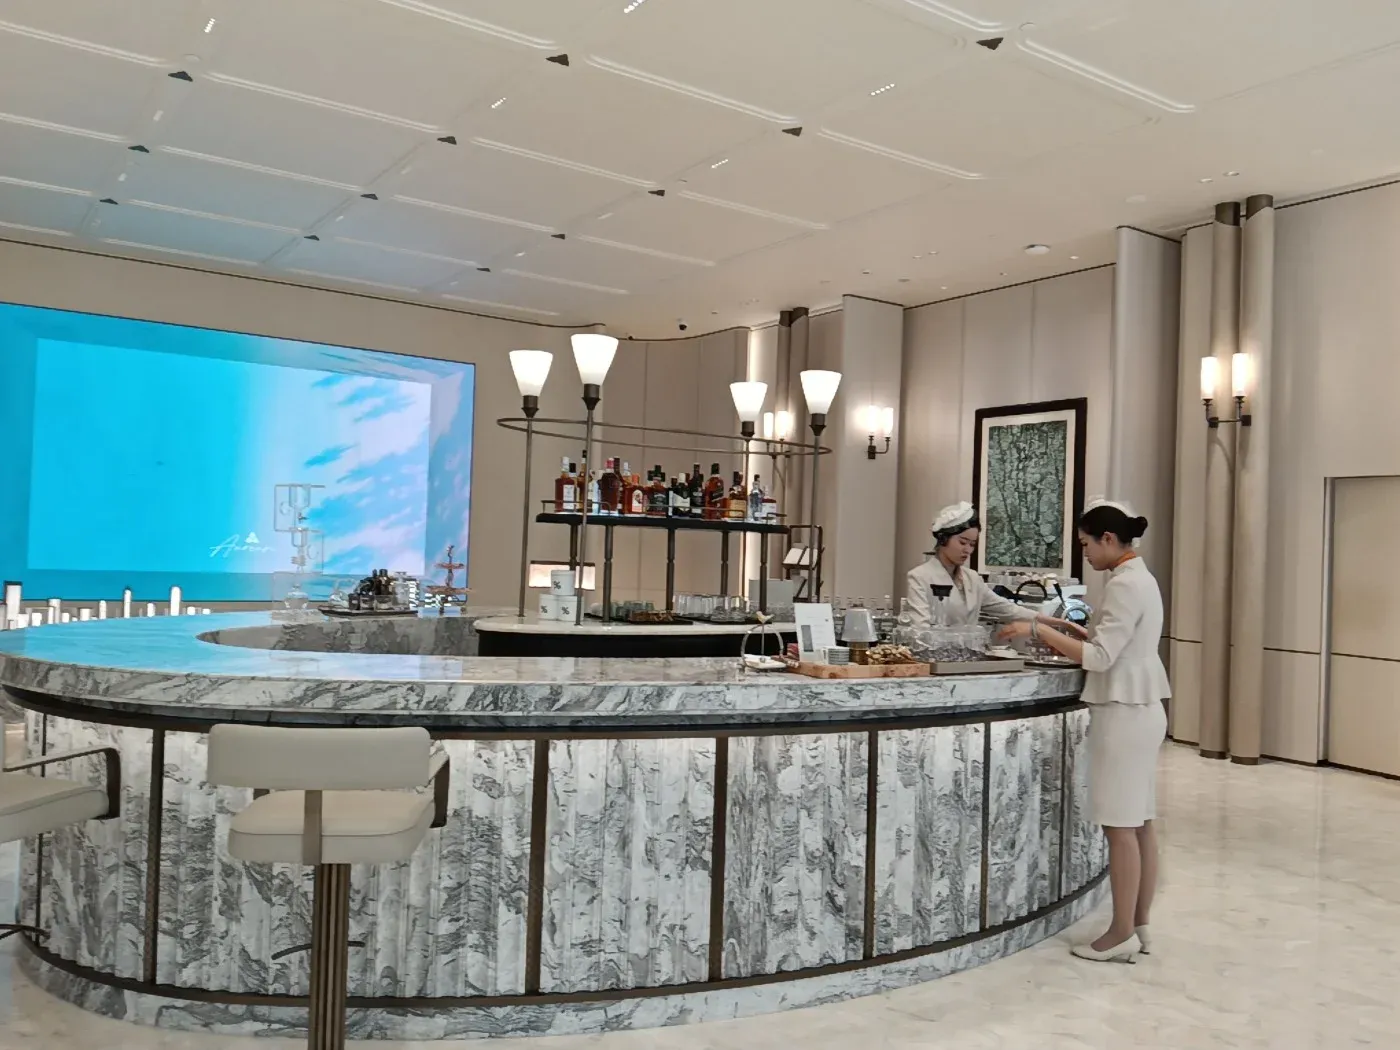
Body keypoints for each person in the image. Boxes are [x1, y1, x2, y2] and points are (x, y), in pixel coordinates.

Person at [995, 498, 1171, 964]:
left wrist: (1035, 630)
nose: (1085, 554)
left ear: (1108, 539)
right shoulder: (1140, 578)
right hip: (1143, 709)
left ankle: (1120, 932)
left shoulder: (1124, 585)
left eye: (1086, 544)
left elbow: (1100, 658)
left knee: (1120, 828)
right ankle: (1140, 923)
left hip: (1123, 713)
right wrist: (1061, 627)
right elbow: (1110, 641)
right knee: (1140, 823)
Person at [905, 501, 1086, 636]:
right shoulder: (920, 577)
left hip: (968, 657)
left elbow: (1009, 610)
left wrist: (1062, 623)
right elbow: (919, 630)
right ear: (943, 539)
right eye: (962, 542)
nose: (968, 550)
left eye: (972, 544)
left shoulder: (972, 578)